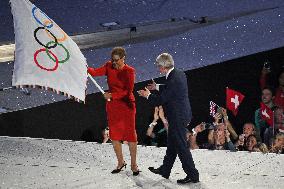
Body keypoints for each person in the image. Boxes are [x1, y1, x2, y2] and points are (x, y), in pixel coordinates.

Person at [137, 53, 199, 184]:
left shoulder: (173, 78)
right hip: (181, 113)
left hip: (178, 117)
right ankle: (165, 170)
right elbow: (170, 88)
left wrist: (148, 95)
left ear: (163, 66)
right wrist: (156, 87)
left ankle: (193, 175)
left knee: (181, 147)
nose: (157, 68)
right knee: (172, 143)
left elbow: (161, 99)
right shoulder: (178, 73)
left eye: (158, 66)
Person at [88, 47, 139, 176]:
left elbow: (128, 91)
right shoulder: (108, 66)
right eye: (113, 60)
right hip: (113, 107)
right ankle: (121, 162)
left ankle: (134, 164)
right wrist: (84, 67)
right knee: (114, 135)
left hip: (127, 106)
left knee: (131, 136)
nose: (114, 63)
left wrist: (112, 95)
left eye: (117, 60)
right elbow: (94, 72)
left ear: (123, 58)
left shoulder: (130, 71)